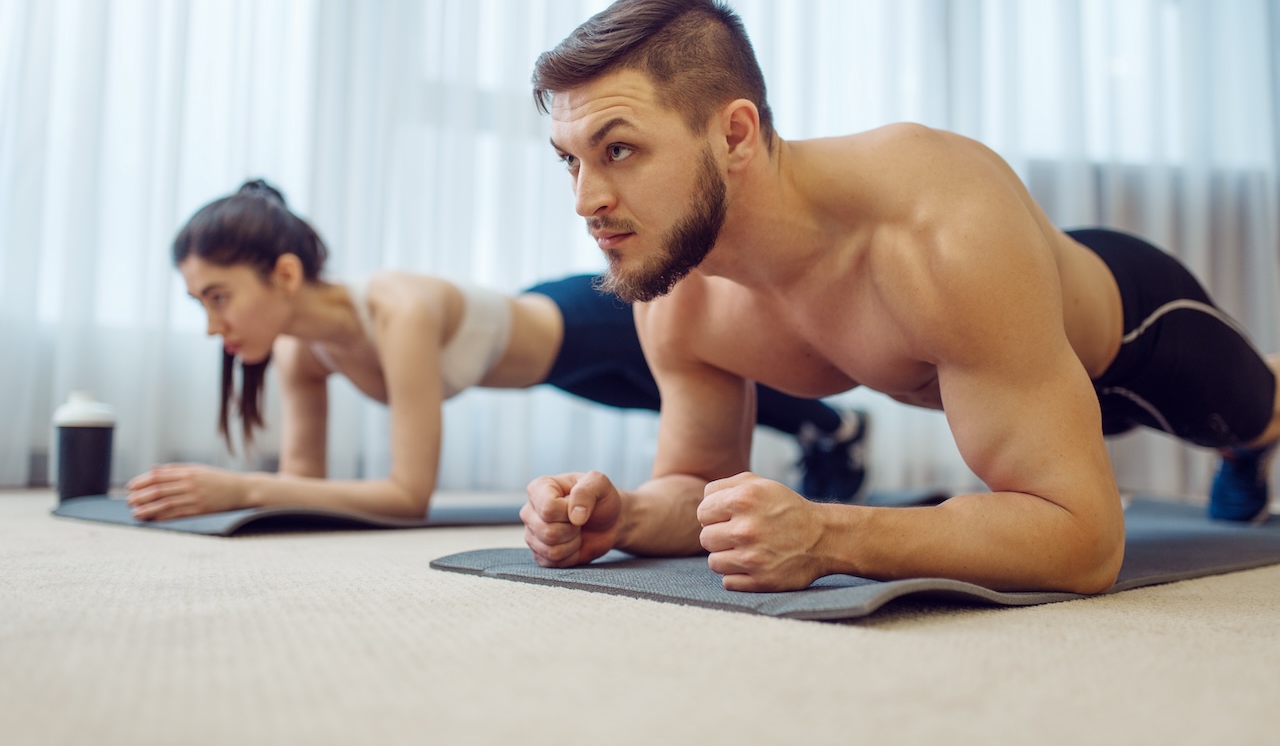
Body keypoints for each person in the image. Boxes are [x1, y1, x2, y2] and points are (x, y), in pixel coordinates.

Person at [519, 0, 1280, 594]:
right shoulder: (674, 285)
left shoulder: (938, 230)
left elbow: (1084, 541)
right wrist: (624, 518)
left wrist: (829, 534)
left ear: (736, 133)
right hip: (1014, 374)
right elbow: (698, 481)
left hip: (1133, 337)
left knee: (1257, 418)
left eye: (618, 149)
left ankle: (1250, 448)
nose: (586, 201)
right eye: (571, 160)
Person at [124, 180, 868, 521]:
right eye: (200, 305)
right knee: (673, 399)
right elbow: (303, 486)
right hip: (555, 371)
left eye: (217, 298)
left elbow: (405, 497)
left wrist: (240, 488)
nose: (211, 326)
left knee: (725, 378)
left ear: (284, 275)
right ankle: (824, 431)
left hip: (582, 319)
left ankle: (833, 426)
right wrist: (242, 491)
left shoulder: (398, 309)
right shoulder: (300, 355)